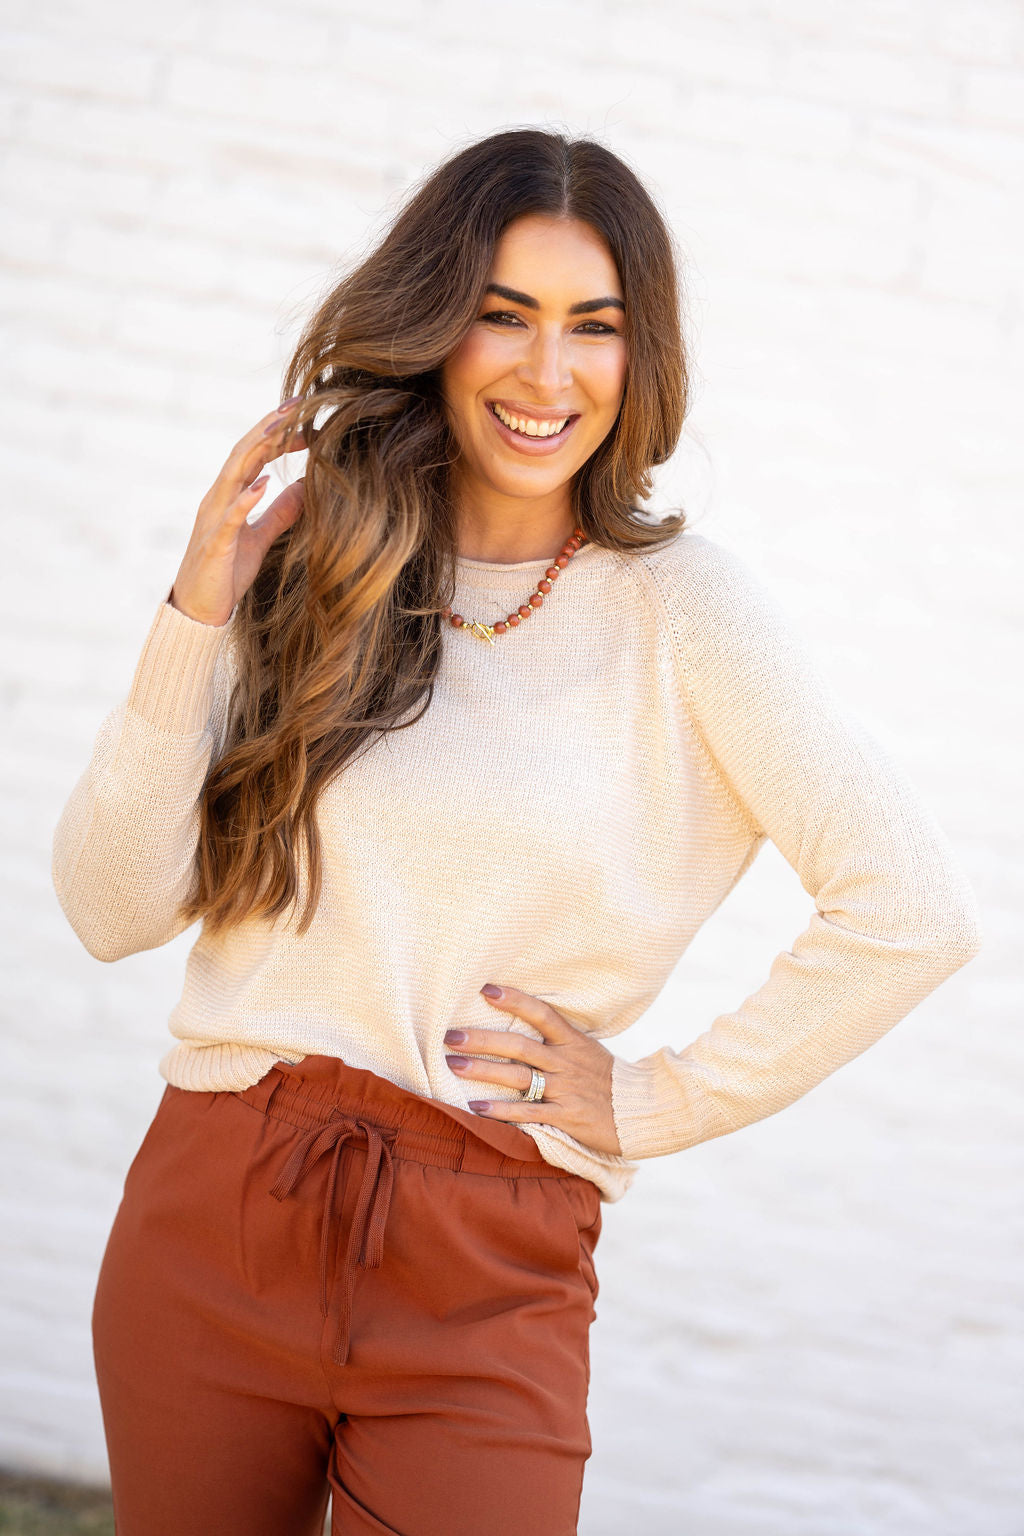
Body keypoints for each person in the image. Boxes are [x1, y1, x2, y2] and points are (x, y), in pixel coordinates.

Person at [51, 127, 982, 1536]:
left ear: (640, 356)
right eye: (505, 315)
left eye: (594, 326)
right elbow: (111, 908)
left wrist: (654, 1101)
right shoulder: (316, 561)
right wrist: (198, 613)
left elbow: (911, 910)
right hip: (220, 1202)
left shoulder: (686, 613)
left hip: (487, 1260)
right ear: (436, 325)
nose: (550, 374)